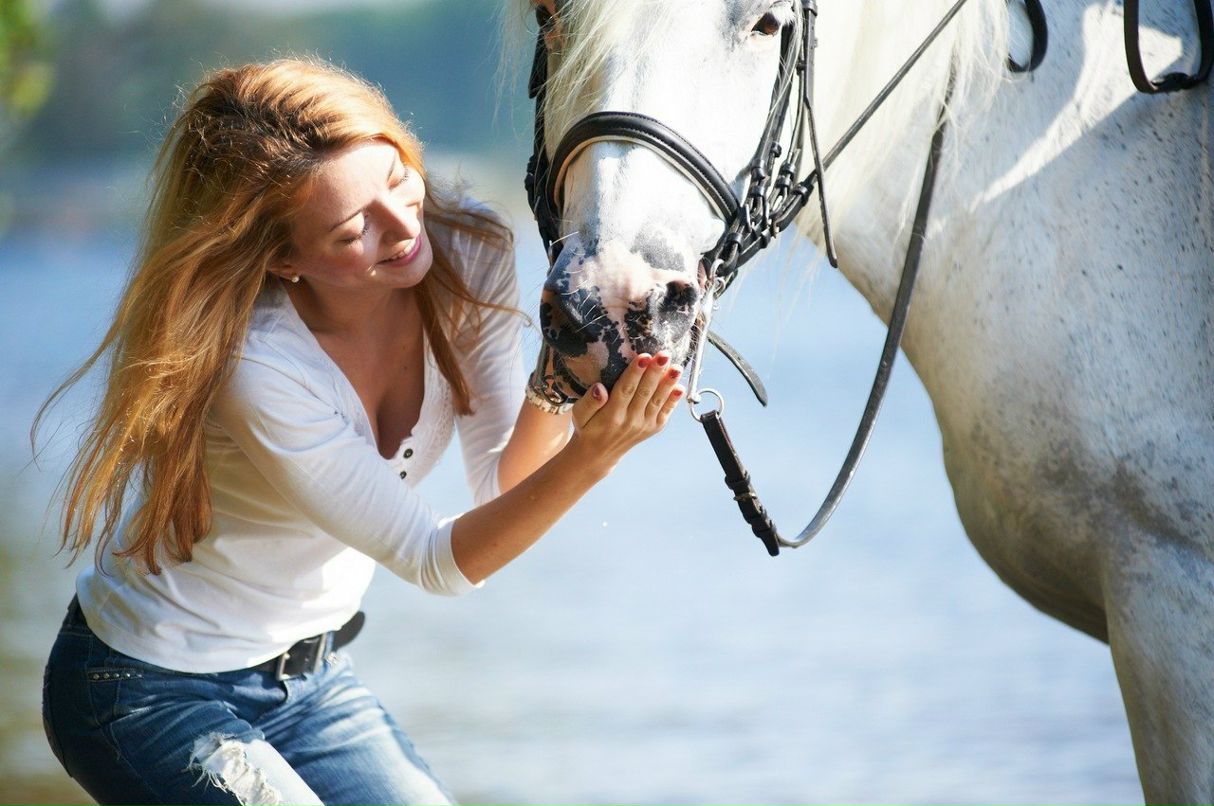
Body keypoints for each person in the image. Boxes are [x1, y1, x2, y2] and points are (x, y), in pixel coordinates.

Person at [37, 58, 684, 806]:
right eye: (353, 230)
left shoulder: (470, 252)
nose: (405, 227)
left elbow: (502, 484)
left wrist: (558, 372)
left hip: (312, 681)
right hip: (145, 687)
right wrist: (593, 457)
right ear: (284, 259)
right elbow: (439, 562)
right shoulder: (259, 365)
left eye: (397, 178)